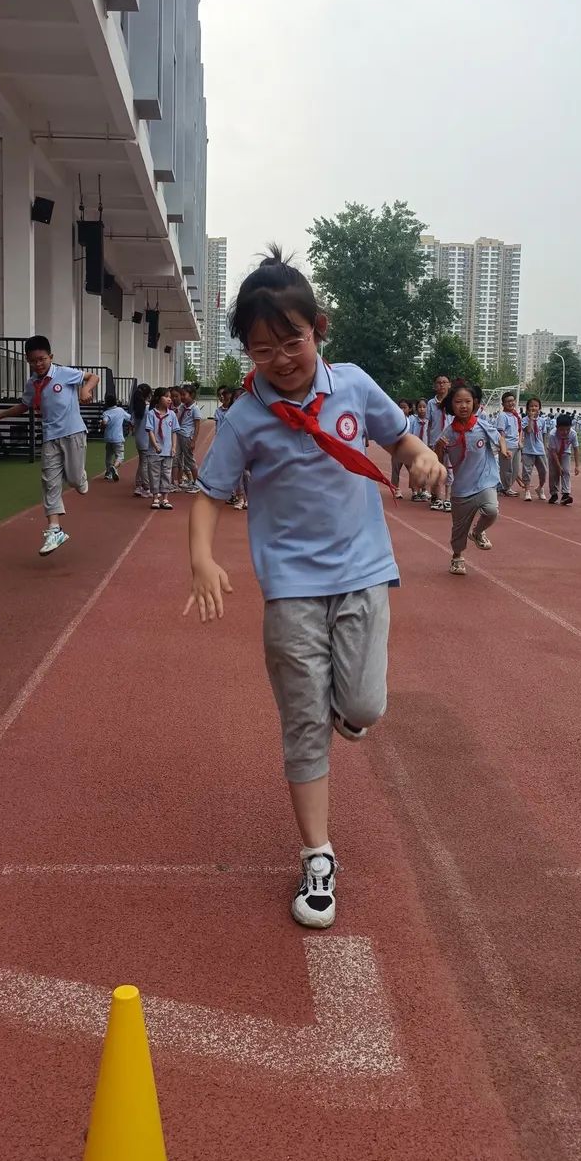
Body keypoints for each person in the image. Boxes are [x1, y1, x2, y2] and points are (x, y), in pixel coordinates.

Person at [185, 247, 439, 929]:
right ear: (247, 350)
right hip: (291, 588)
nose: (282, 359)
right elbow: (210, 495)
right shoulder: (244, 420)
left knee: (363, 706)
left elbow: (402, 437)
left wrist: (421, 454)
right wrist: (202, 559)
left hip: (363, 574)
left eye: (292, 340)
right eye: (263, 348)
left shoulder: (353, 385)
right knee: (304, 725)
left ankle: (346, 711)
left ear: (317, 329)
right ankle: (318, 856)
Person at [0, 335, 98, 556]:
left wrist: (85, 390)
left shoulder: (64, 373)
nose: (38, 364)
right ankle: (54, 529)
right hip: (49, 437)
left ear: (50, 357)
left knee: (74, 480)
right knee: (49, 482)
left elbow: (93, 376)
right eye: (33, 361)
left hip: (73, 432)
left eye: (42, 359)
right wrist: (0, 416)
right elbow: (24, 405)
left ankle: (79, 477)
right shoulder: (32, 383)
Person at [437, 380, 508, 575]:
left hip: (485, 481)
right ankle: (457, 557)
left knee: (491, 510)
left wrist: (503, 450)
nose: (463, 406)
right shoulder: (448, 432)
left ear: (474, 404)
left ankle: (477, 532)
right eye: (458, 402)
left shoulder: (483, 426)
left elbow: (500, 437)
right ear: (452, 405)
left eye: (467, 401)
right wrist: (439, 448)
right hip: (461, 487)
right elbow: (438, 458)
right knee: (459, 528)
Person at [146, 388, 180, 510]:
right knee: (154, 474)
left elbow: (174, 432)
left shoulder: (172, 415)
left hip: (168, 451)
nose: (169, 399)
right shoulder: (151, 414)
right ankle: (155, 497)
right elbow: (150, 430)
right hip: (154, 451)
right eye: (166, 396)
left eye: (170, 397)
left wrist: (174, 447)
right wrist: (155, 445)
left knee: (166, 474)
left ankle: (165, 498)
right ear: (158, 398)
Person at [426, 374, 454, 513]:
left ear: (449, 385)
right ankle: (436, 498)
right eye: (439, 382)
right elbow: (428, 423)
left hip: (450, 441)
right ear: (434, 386)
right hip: (435, 442)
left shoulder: (454, 402)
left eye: (444, 382)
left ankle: (448, 498)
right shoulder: (431, 403)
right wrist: (427, 443)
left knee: (450, 470)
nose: (442, 385)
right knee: (436, 470)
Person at [175, 384, 203, 491]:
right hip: (179, 435)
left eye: (184, 395)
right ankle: (179, 481)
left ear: (191, 395)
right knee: (177, 458)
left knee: (189, 460)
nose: (181, 397)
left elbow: (197, 426)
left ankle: (197, 483)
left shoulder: (195, 409)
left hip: (187, 437)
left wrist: (193, 441)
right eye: (181, 394)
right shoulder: (182, 407)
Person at [547, 413, 580, 505]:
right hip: (553, 452)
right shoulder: (552, 435)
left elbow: (576, 449)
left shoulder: (573, 434)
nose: (565, 432)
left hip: (565, 452)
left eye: (567, 429)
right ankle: (554, 494)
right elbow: (553, 452)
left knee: (565, 471)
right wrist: (558, 466)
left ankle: (565, 494)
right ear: (557, 427)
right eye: (562, 430)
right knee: (554, 473)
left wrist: (577, 466)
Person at [520, 396, 549, 501]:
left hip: (540, 449)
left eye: (536, 406)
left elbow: (544, 434)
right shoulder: (524, 420)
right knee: (527, 471)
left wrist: (545, 447)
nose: (534, 408)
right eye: (531, 406)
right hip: (528, 449)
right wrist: (531, 419)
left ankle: (540, 488)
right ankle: (527, 490)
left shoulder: (542, 421)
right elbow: (528, 430)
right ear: (527, 409)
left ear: (539, 408)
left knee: (544, 471)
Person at [496, 391, 523, 497]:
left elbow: (519, 430)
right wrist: (504, 448)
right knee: (507, 469)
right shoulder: (502, 416)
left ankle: (504, 486)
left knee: (515, 469)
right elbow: (501, 432)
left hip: (516, 445)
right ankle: (506, 488)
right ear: (503, 404)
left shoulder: (516, 415)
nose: (511, 403)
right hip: (507, 445)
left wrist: (520, 441)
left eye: (512, 401)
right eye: (508, 402)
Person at [101, 393, 132, 481]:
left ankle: (108, 473)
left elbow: (104, 422)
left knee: (109, 456)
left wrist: (102, 425)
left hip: (108, 438)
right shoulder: (120, 410)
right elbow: (129, 418)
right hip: (118, 438)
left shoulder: (106, 413)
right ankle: (114, 468)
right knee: (120, 456)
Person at [130, 382, 153, 498]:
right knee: (145, 464)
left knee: (141, 462)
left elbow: (132, 423)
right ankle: (146, 487)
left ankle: (139, 485)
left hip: (139, 438)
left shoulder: (136, 409)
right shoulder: (149, 409)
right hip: (147, 439)